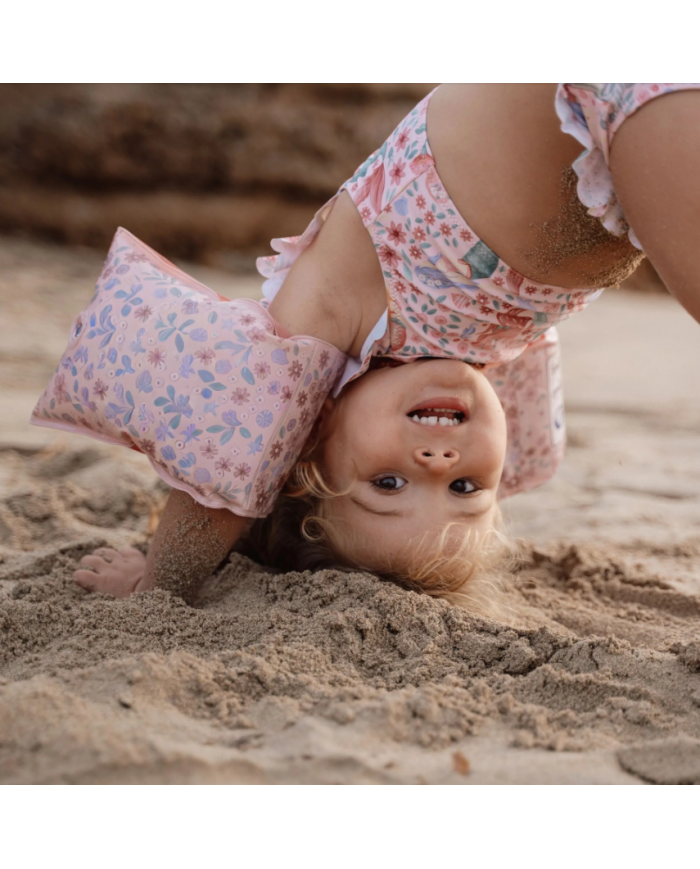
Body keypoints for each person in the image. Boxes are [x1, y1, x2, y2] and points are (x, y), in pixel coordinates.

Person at [33, 83, 700, 609]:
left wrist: (161, 581)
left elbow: (226, 463)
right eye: (467, 486)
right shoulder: (484, 354)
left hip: (602, 92)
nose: (438, 458)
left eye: (389, 482)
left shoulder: (330, 305)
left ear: (301, 443)